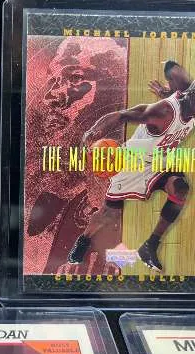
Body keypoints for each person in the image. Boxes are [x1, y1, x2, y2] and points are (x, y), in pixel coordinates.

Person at [68, 61, 195, 272]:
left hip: (160, 161)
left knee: (181, 188)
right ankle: (84, 240)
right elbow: (122, 115)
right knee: (109, 215)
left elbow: (177, 82)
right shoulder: (164, 112)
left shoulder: (189, 103)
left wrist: (166, 91)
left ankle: (150, 246)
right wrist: (91, 133)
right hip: (133, 160)